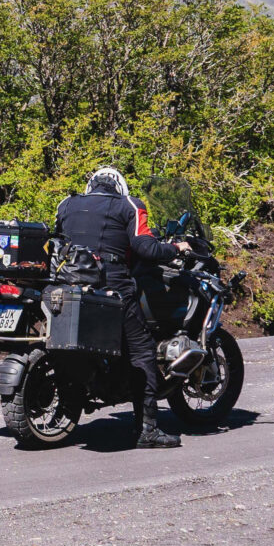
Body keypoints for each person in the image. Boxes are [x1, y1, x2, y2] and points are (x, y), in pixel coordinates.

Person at [54, 167, 190, 449]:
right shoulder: (129, 205)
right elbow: (146, 248)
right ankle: (148, 431)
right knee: (142, 351)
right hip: (111, 285)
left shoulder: (66, 204)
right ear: (120, 188)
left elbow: (57, 242)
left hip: (65, 284)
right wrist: (176, 248)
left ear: (91, 186)